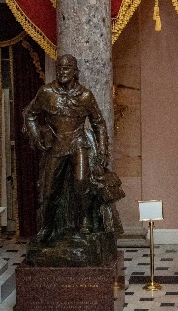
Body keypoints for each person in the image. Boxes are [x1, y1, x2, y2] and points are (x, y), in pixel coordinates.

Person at [23, 54, 118, 244]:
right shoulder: (46, 93)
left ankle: (84, 222)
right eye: (59, 68)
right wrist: (37, 137)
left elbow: (98, 123)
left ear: (75, 72)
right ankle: (48, 228)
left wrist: (102, 149)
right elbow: (30, 114)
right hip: (57, 146)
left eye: (66, 68)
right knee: (49, 191)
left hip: (78, 144)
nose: (61, 72)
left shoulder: (85, 96)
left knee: (82, 182)